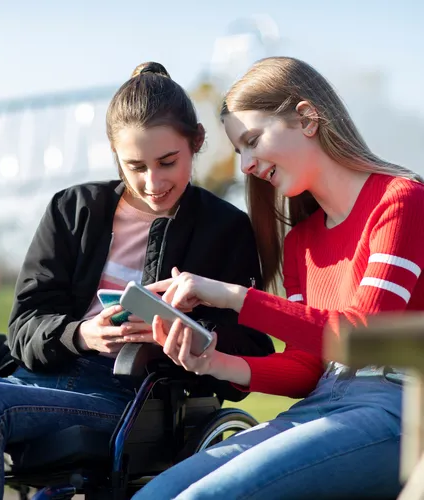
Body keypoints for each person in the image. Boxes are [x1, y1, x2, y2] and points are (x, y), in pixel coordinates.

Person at [0, 62, 274, 500]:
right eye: (135, 166)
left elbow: (254, 349)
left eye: (168, 162)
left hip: (131, 397)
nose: (153, 182)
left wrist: (188, 336)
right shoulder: (73, 210)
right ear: (115, 156)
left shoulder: (225, 228)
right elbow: (23, 327)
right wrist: (82, 334)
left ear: (197, 141)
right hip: (37, 379)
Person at [133, 56, 424, 499]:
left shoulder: (401, 201)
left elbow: (364, 338)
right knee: (153, 495)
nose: (246, 164)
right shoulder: (300, 242)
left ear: (307, 119)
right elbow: (308, 369)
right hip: (323, 404)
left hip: (396, 409)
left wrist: (235, 297)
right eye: (239, 151)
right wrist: (212, 361)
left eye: (252, 141)